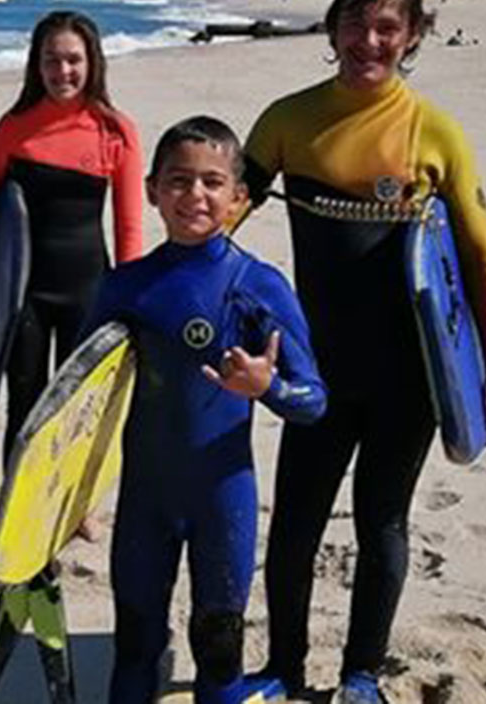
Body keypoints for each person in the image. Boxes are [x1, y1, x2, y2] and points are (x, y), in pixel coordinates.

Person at [243, 0, 486, 703]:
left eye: (387, 27)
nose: (370, 40)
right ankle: (283, 669)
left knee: (382, 521)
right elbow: (222, 218)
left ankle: (361, 674)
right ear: (332, 30)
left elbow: (483, 258)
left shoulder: (434, 132)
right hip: (316, 365)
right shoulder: (287, 120)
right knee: (294, 521)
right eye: (356, 24)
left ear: (414, 34)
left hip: (409, 372)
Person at [82, 116, 328, 703]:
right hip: (145, 499)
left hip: (223, 499)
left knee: (218, 650)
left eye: (213, 182)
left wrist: (266, 387)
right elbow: (80, 400)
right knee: (136, 644)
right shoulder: (124, 287)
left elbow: (313, 401)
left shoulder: (256, 284)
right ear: (151, 190)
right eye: (179, 180)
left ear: (239, 197)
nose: (195, 195)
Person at [0, 10, 144, 468]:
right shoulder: (15, 128)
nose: (63, 72)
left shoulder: (116, 131)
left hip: (90, 291)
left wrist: (130, 301)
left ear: (93, 62)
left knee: (79, 407)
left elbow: (129, 228)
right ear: (36, 65)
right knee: (25, 403)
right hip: (22, 297)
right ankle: (16, 503)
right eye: (51, 60)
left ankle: (73, 512)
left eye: (73, 60)